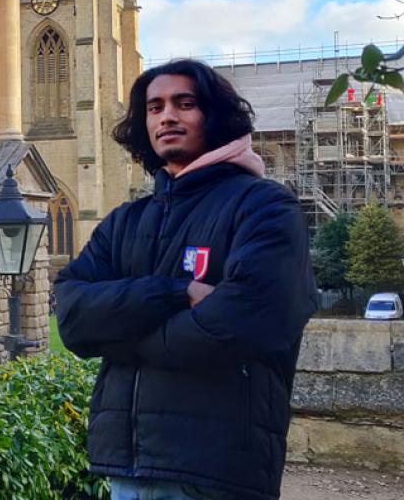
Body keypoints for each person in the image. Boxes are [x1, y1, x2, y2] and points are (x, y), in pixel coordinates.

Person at [54, 60, 317, 500]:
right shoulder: (125, 219)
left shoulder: (264, 206)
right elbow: (72, 316)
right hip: (126, 469)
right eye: (154, 108)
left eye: (185, 103)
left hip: (216, 470)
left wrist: (120, 341)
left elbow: (242, 325)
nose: (167, 116)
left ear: (213, 115)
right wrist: (176, 291)